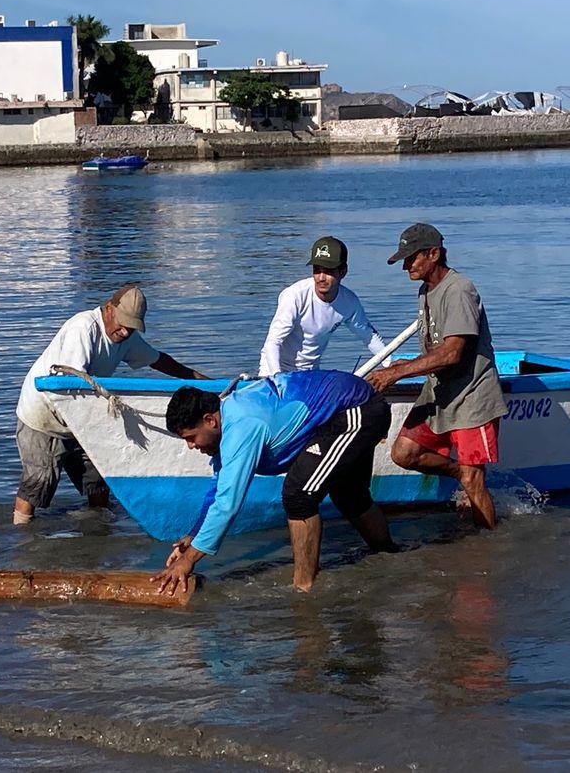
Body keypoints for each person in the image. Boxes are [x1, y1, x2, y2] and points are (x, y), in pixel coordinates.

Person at [152, 370, 397, 595]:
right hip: (341, 413)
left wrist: (189, 560)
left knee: (299, 495)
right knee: (348, 494)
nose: (192, 446)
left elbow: (228, 505)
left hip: (357, 409)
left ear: (210, 421)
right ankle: (390, 556)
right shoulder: (228, 420)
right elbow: (219, 489)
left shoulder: (242, 427)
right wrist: (194, 536)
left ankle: (304, 588)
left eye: (191, 438)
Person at [14, 285, 208, 524]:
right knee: (39, 482)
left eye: (132, 327)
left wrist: (202, 380)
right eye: (122, 323)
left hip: (80, 417)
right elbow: (72, 380)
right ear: (108, 308)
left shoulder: (127, 338)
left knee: (98, 481)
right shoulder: (84, 328)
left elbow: (159, 361)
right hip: (44, 414)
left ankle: (98, 531)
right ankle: (21, 535)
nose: (125, 332)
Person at [364, 223, 507, 529]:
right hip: (440, 392)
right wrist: (406, 362)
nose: (405, 266)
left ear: (434, 253)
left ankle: (489, 547)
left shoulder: (459, 290)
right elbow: (437, 349)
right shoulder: (425, 291)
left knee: (474, 481)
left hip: (471, 396)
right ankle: (459, 473)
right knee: (404, 453)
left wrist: (398, 373)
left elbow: (453, 352)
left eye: (411, 258)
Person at [259, 236, 390, 377]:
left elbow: (369, 337)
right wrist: (277, 377)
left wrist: (391, 366)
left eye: (328, 271)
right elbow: (273, 342)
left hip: (310, 373)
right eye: (317, 270)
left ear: (343, 271)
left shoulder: (349, 302)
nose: (321, 278)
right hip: (275, 370)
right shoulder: (294, 296)